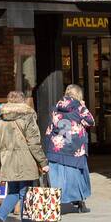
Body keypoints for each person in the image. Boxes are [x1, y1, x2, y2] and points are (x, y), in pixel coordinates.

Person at [0, 90, 49, 222]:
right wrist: (43, 162)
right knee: (25, 194)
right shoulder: (27, 118)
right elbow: (34, 143)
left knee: (13, 193)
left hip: (7, 163)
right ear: (22, 102)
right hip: (25, 162)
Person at [44, 84, 95, 212]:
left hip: (57, 147)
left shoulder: (55, 107)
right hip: (75, 148)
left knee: (57, 176)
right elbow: (90, 121)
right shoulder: (79, 107)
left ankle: (55, 203)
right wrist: (83, 107)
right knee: (77, 175)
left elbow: (50, 127)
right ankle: (79, 201)